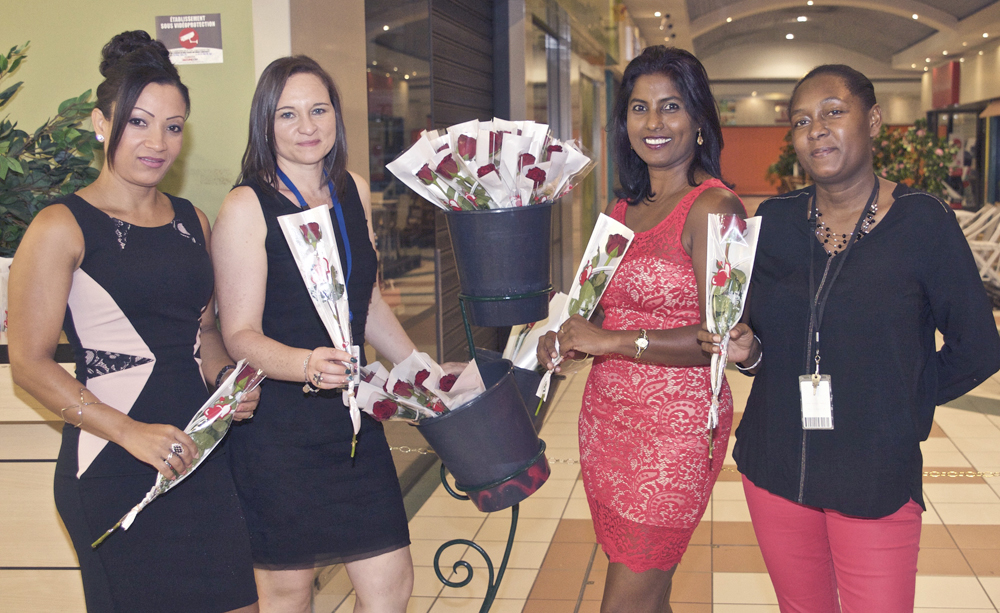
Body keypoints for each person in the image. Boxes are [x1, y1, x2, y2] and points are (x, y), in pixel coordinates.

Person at [699, 65, 1000, 612]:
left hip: (875, 476)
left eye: (834, 112)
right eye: (801, 121)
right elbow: (762, 342)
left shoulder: (923, 223)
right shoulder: (776, 221)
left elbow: (979, 346)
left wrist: (901, 402)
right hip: (776, 467)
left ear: (875, 120)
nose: (816, 129)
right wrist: (747, 353)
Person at [7, 31, 258, 612]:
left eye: (173, 127)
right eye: (139, 122)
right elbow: (29, 363)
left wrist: (226, 383)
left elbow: (203, 332)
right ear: (101, 123)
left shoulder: (193, 220)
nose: (157, 142)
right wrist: (131, 433)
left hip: (199, 461)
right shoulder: (59, 225)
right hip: (111, 467)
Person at [212, 56, 433, 613]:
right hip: (278, 429)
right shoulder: (247, 206)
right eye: (288, 114)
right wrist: (305, 363)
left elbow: (366, 301)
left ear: (336, 114)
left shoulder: (351, 191)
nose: (307, 127)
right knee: (287, 593)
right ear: (266, 124)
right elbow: (238, 333)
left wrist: (417, 366)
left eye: (318, 110)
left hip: (353, 418)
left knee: (391, 583)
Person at [538, 45, 745, 613]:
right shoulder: (623, 209)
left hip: (676, 431)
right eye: (638, 108)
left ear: (700, 119)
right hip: (607, 419)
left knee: (626, 597)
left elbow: (719, 338)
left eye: (671, 106)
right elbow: (597, 313)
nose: (653, 123)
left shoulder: (719, 210)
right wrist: (566, 338)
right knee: (648, 594)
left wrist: (606, 342)